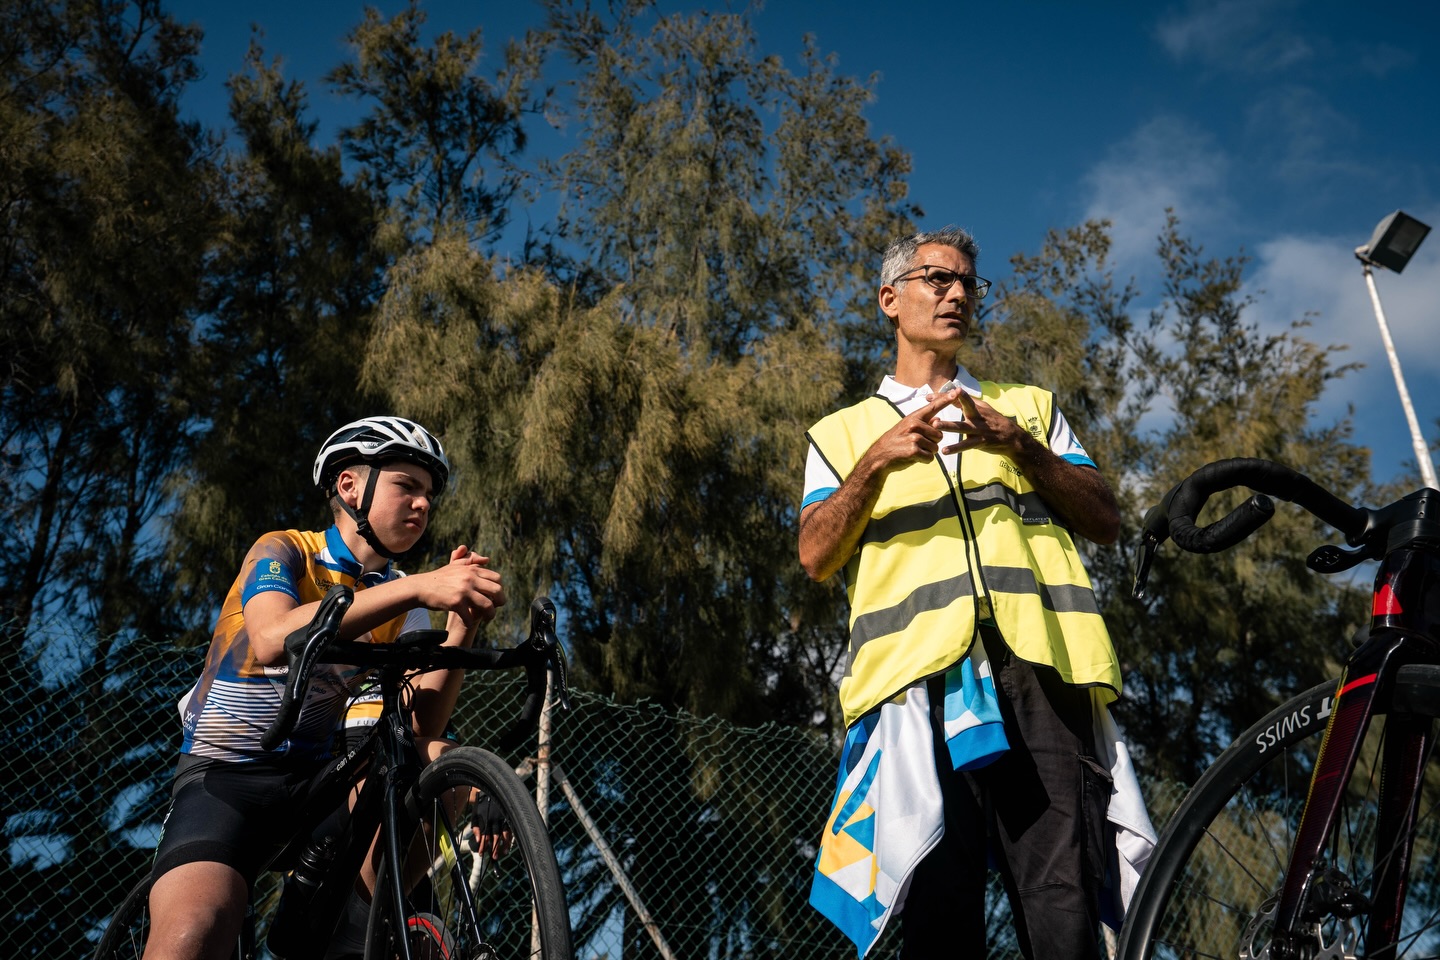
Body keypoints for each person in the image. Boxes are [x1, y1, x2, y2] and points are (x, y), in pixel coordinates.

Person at [799, 228, 1125, 959]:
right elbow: (815, 553)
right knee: (940, 907)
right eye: (937, 279)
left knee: (1061, 901)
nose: (957, 294)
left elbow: (1105, 518)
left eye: (969, 284)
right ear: (890, 299)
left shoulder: (1029, 409)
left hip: (1042, 669)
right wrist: (875, 465)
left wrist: (1023, 448)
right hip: (917, 684)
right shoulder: (842, 432)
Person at [144, 416, 506, 960]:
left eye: (428, 494)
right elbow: (270, 639)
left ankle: (351, 927)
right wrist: (419, 587)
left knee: (437, 760)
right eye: (407, 486)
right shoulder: (284, 550)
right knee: (194, 934)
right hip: (226, 782)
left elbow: (417, 727)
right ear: (349, 486)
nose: (423, 505)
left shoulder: (397, 598)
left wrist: (462, 625)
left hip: (319, 790)